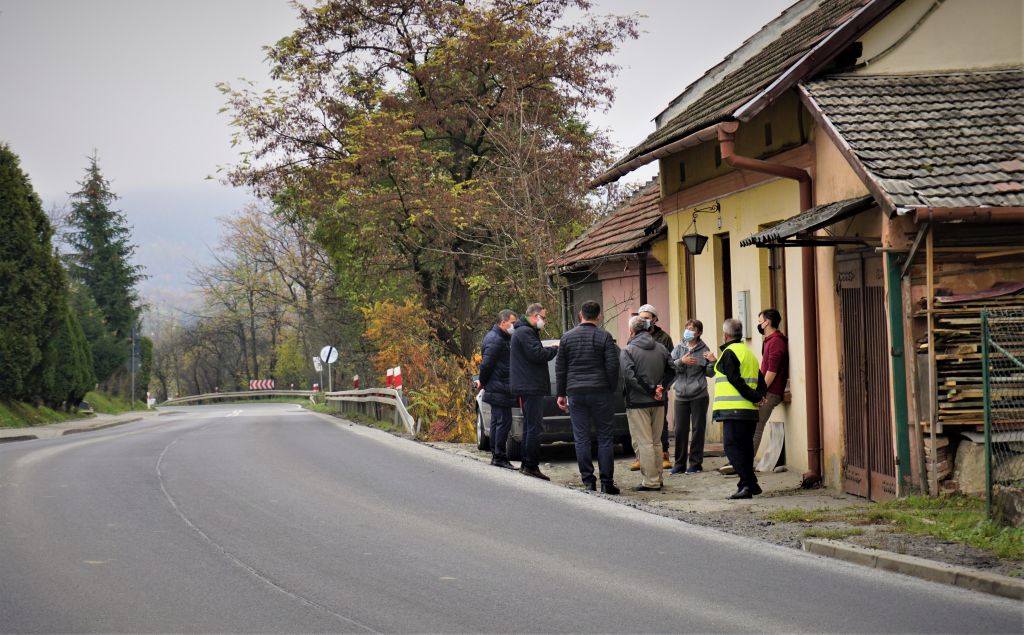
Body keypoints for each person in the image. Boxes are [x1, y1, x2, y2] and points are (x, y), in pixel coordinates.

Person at [555, 301, 621, 495]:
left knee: (581, 438)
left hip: (576, 393)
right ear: (598, 316)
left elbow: (561, 369)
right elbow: (612, 366)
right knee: (605, 438)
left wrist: (561, 394)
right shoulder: (604, 337)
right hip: (601, 392)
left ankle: (588, 482)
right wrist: (610, 387)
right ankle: (607, 482)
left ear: (579, 314)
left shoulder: (567, 338)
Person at [704, 318, 767, 499]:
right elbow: (760, 379)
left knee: (731, 447)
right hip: (749, 411)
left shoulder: (729, 353)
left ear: (725, 335)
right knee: (746, 449)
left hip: (734, 410)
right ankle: (749, 485)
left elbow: (735, 381)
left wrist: (755, 397)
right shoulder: (749, 353)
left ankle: (748, 484)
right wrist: (760, 396)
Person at [621, 315, 675, 491]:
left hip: (638, 403)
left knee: (643, 442)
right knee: (656, 441)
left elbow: (629, 377)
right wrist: (661, 388)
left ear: (632, 331)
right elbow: (672, 370)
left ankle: (650, 481)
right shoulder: (661, 348)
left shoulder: (628, 350)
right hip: (659, 401)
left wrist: (651, 389)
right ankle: (658, 478)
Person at [510, 303, 558, 481]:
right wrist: (554, 348)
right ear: (535, 316)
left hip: (528, 385)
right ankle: (530, 464)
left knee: (530, 426)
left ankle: (527, 463)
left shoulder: (523, 332)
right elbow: (537, 355)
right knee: (533, 427)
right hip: (530, 385)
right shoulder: (525, 332)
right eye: (543, 317)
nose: (544, 321)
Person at [669, 319, 715, 475]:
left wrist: (711, 362)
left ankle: (695, 463)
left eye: (692, 329)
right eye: (687, 328)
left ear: (699, 333)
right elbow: (669, 366)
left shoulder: (704, 349)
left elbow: (710, 373)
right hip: (681, 394)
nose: (688, 331)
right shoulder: (678, 348)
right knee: (680, 430)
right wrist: (681, 361)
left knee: (697, 430)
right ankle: (679, 464)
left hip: (699, 395)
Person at [634, 304, 674, 470]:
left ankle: (663, 454)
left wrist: (663, 386)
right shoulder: (634, 337)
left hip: (659, 388)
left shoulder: (664, 338)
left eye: (647, 318)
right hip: (640, 388)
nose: (644, 320)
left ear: (655, 319)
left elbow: (670, 365)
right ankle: (642, 457)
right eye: (641, 317)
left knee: (660, 423)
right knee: (641, 424)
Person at [477, 309, 518, 470]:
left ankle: (496, 454)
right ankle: (499, 456)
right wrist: (483, 381)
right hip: (499, 387)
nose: (514, 326)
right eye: (512, 323)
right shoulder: (496, 340)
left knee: (497, 421)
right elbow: (486, 365)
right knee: (503, 421)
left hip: (498, 386)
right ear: (503, 322)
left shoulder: (500, 337)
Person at [753, 308, 789, 470]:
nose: (759, 324)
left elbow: (772, 371)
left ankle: (746, 462)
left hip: (771, 392)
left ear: (767, 322)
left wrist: (761, 392)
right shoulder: (769, 340)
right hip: (766, 390)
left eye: (760, 321)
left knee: (757, 426)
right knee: (754, 425)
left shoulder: (776, 342)